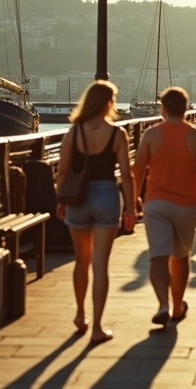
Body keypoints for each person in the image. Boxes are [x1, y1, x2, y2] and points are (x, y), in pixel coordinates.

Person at [56, 80, 136, 343]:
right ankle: (98, 328)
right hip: (106, 196)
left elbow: (63, 171)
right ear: (108, 103)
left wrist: (61, 200)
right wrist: (131, 207)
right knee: (100, 265)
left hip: (78, 198)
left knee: (82, 261)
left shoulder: (74, 133)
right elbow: (126, 174)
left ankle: (80, 315)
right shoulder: (117, 134)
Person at [132, 86, 196, 326]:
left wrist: (134, 198)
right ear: (186, 108)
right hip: (186, 205)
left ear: (163, 109)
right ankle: (178, 305)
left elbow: (138, 169)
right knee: (180, 256)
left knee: (158, 256)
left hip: (156, 204)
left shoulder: (151, 134)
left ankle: (163, 305)